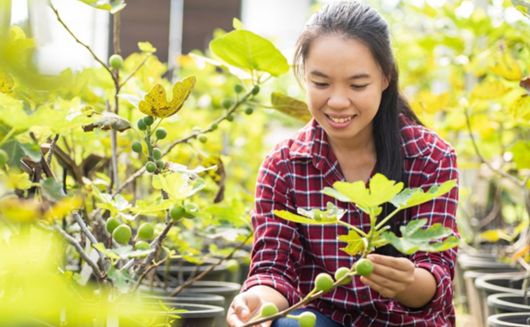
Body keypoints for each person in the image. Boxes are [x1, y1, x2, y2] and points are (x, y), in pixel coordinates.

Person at [227, 1, 459, 326]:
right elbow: (274, 268)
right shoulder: (284, 165)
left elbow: (437, 276)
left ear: (386, 78)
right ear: (304, 77)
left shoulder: (430, 156)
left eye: (357, 85)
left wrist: (408, 283)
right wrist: (257, 301)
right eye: (321, 83)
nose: (337, 101)